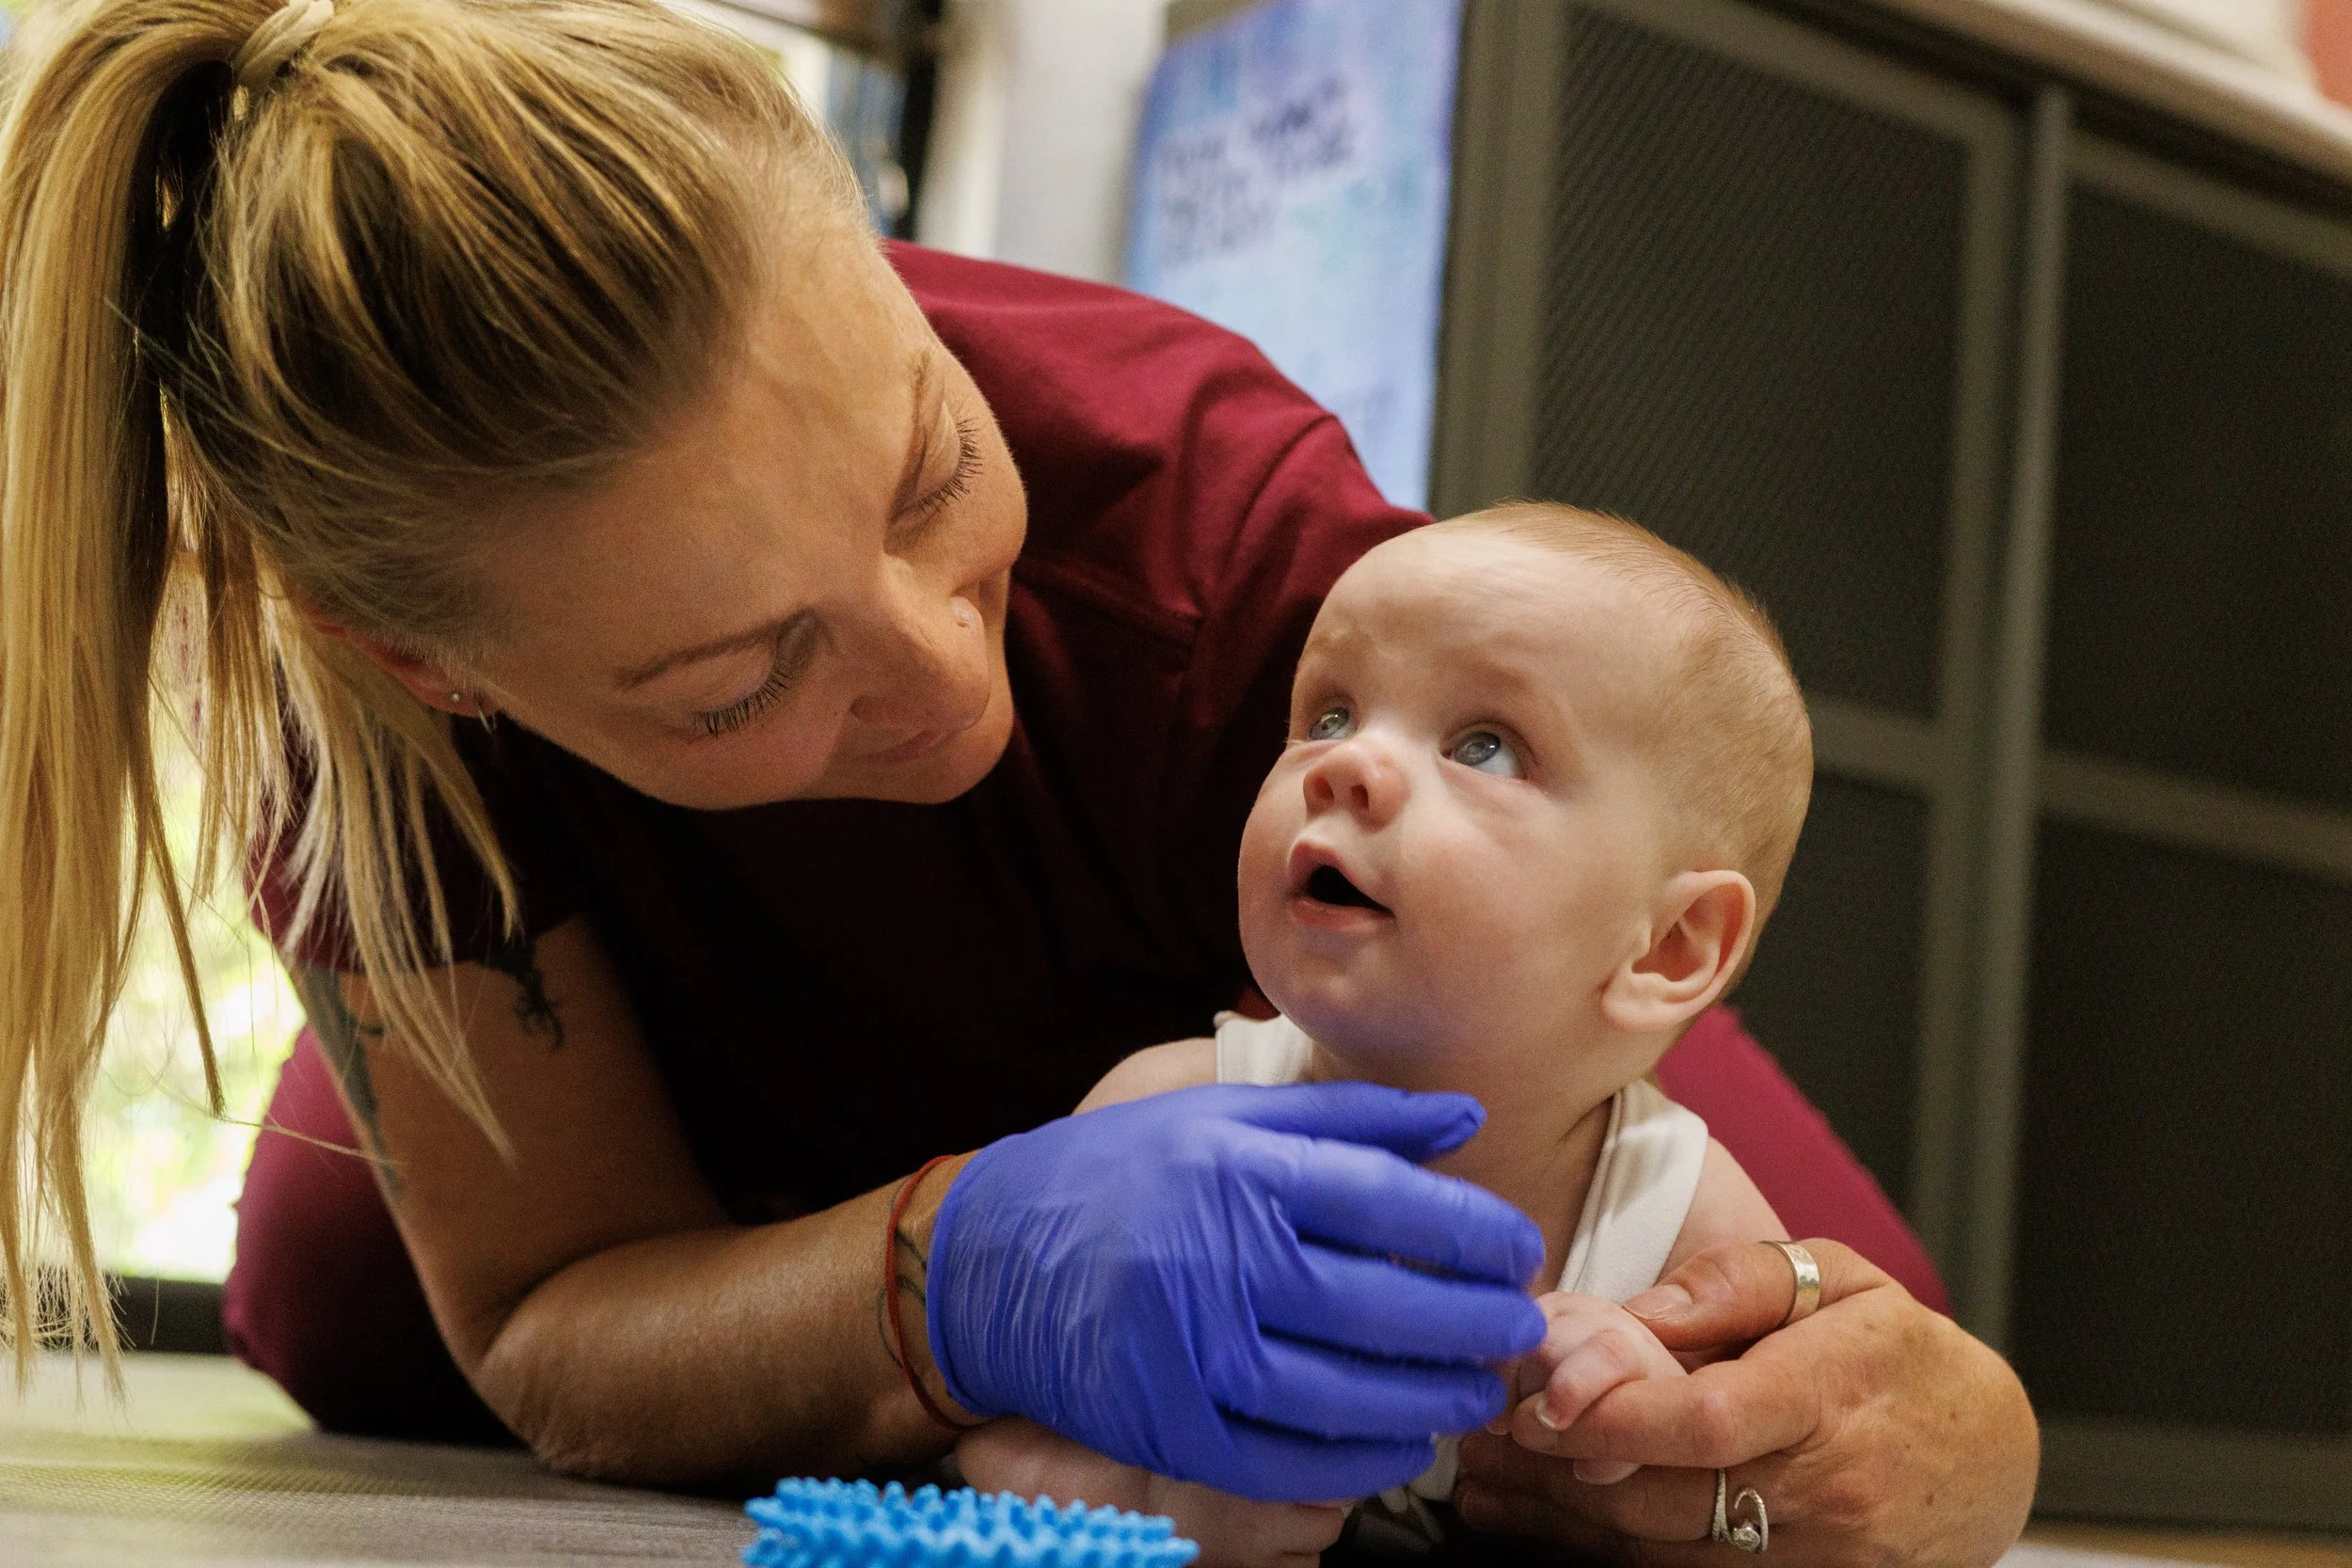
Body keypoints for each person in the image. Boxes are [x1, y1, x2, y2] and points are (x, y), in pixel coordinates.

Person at [0, 0, 2037, 1560]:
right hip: (640, 1157)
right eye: (740, 675)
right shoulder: (357, 732)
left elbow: (1829, 1347)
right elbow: (550, 1317)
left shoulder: (1222, 544)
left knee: (1841, 1395)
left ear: (886, 261)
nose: (939, 668)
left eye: (929, 470)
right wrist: (957, 1270)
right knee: (332, 1302)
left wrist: (1907, 1443)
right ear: (427, 665)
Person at [953, 506, 1818, 1565]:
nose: (1346, 763)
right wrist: (1143, 1499)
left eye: (1484, 746)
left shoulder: (1684, 1222)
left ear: (1668, 947)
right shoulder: (1164, 1111)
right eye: (1328, 714)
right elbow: (984, 1443)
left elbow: (1788, 1521)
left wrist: (1650, 1438)